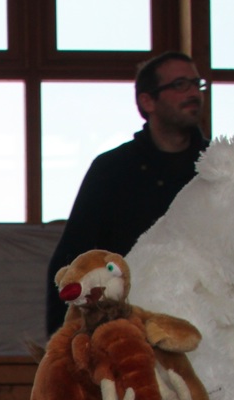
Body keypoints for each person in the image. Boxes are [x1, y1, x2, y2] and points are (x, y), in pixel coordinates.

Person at [45, 51, 209, 332]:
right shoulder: (112, 169)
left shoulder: (218, 167)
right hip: (128, 329)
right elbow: (73, 260)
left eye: (197, 84)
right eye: (180, 85)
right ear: (148, 101)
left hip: (209, 328)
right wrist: (63, 344)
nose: (194, 93)